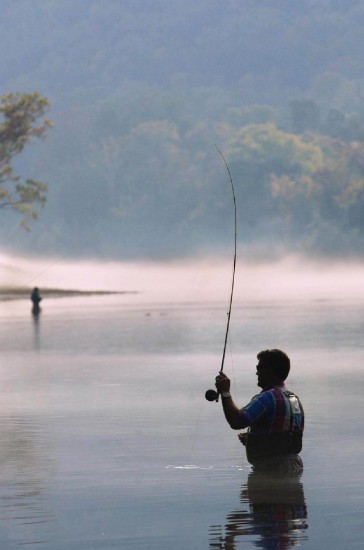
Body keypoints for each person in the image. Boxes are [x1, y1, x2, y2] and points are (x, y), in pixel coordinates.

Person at [215, 349, 304, 471]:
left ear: (271, 370)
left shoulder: (267, 398)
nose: (257, 372)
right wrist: (254, 440)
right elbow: (288, 438)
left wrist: (225, 392)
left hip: (270, 470)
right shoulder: (294, 399)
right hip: (294, 467)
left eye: (260, 368)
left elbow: (236, 421)